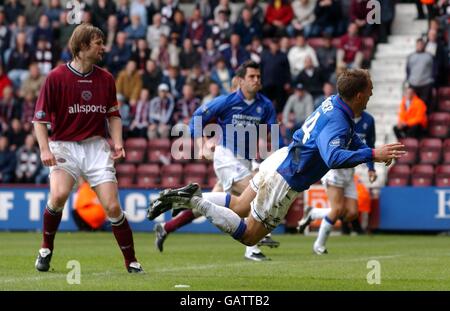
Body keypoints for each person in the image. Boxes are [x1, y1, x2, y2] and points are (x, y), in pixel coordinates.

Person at [148, 69, 405, 252]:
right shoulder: (339, 120)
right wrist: (372, 154)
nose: (371, 96)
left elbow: (349, 136)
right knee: (249, 235)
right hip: (289, 175)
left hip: (282, 157)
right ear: (359, 95)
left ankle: (193, 199)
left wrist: (369, 150)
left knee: (238, 204)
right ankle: (194, 201)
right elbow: (334, 157)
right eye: (369, 92)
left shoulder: (333, 103)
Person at [32, 23, 143, 273]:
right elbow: (39, 119)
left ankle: (132, 262)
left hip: (95, 147)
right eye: (97, 43)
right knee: (58, 196)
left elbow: (113, 115)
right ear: (82, 47)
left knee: (113, 207)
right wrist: (44, 149)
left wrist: (117, 142)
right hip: (63, 146)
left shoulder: (105, 78)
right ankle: (45, 248)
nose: (103, 47)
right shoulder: (56, 77)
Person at [149, 62, 282, 261]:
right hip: (226, 157)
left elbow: (271, 135)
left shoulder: (265, 105)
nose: (256, 80)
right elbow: (197, 117)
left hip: (244, 161)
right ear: (240, 80)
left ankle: (168, 223)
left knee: (212, 203)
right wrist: (201, 144)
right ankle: (252, 249)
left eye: (258, 77)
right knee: (254, 197)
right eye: (252, 76)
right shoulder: (226, 101)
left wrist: (269, 159)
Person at [298, 110, 377, 254]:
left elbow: (370, 143)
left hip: (349, 171)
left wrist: (371, 168)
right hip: (334, 168)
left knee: (352, 213)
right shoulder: (339, 117)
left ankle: (314, 213)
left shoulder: (368, 120)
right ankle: (319, 245)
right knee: (337, 210)